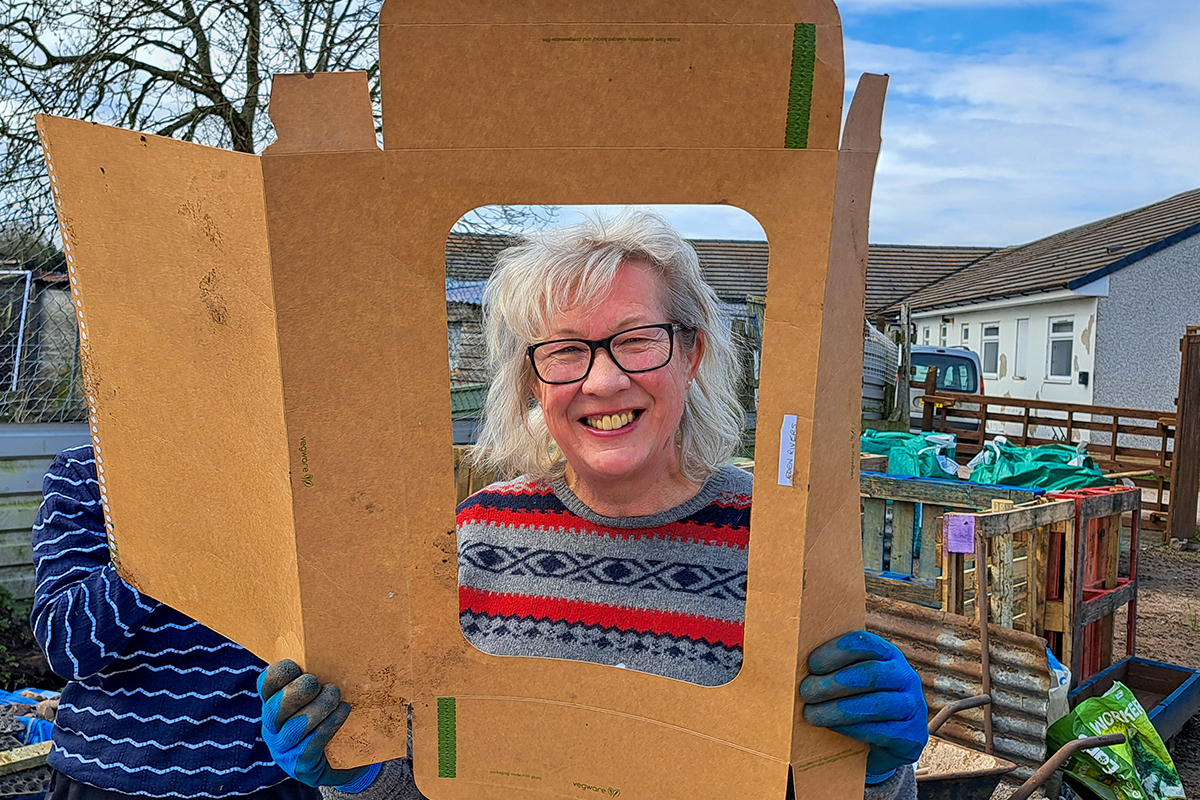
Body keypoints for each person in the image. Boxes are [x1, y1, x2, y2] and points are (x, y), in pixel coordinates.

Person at [256, 213, 928, 799]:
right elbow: (427, 780)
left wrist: (876, 774)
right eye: (567, 351)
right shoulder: (475, 541)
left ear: (691, 353)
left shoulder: (781, 544)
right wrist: (358, 776)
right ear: (533, 382)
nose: (603, 381)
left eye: (636, 340)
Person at [31, 443, 321, 800]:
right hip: (110, 779)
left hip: (269, 777)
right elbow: (67, 647)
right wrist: (172, 518)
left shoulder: (288, 458)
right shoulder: (89, 471)